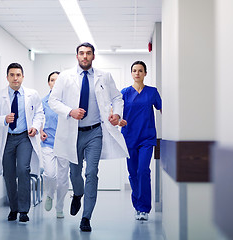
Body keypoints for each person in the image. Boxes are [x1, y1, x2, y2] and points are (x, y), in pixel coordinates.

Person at [48, 42, 129, 232]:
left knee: (91, 173)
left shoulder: (104, 77)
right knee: (75, 174)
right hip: (73, 133)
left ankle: (86, 217)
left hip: (95, 133)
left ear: (93, 56)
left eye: (88, 53)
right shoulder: (66, 76)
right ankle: (77, 193)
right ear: (77, 56)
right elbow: (53, 100)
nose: (85, 56)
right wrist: (70, 111)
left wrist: (117, 114)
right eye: (81, 53)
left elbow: (117, 98)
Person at [0, 62, 44, 223]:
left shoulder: (32, 94)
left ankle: (24, 210)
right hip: (7, 138)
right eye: (12, 75)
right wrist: (3, 119)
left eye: (18, 75)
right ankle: (13, 208)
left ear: (23, 77)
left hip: (25, 137)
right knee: (9, 174)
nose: (15, 78)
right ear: (7, 77)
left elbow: (39, 113)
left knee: (23, 170)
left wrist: (36, 127)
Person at [118, 61, 162, 221]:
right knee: (133, 173)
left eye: (140, 70)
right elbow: (115, 112)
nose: (137, 73)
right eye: (134, 70)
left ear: (145, 73)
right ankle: (137, 205)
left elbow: (163, 109)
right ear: (131, 73)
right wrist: (118, 120)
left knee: (143, 170)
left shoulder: (152, 92)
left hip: (147, 138)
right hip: (129, 138)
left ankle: (144, 208)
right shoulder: (124, 92)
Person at [40, 71, 69, 218]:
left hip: (64, 144)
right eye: (52, 80)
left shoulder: (67, 102)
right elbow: (37, 118)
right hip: (48, 143)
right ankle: (50, 194)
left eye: (57, 80)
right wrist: (39, 130)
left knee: (63, 180)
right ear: (48, 83)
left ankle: (60, 207)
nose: (54, 83)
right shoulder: (43, 101)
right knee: (50, 174)